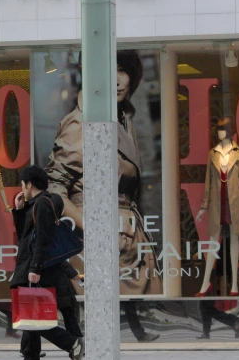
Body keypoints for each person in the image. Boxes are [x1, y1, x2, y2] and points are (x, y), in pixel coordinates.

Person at [45, 49, 161, 341]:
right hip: (98, 242)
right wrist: (95, 228)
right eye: (111, 69)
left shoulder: (123, 119)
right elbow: (57, 189)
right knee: (106, 328)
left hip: (130, 241)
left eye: (124, 71)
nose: (119, 80)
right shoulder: (80, 123)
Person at [7, 165, 84, 360]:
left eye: (22, 184)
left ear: (29, 184)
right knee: (29, 317)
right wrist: (20, 210)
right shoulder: (35, 205)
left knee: (33, 318)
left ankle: (71, 344)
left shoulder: (41, 204)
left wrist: (34, 268)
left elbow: (42, 239)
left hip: (35, 268)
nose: (21, 187)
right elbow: (25, 236)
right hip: (33, 266)